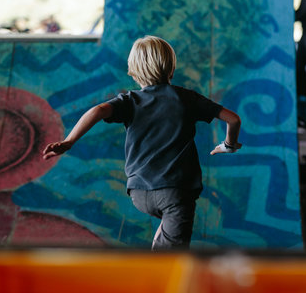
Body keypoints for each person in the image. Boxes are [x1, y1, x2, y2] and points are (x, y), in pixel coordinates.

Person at [42, 36, 242, 250]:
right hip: (175, 193)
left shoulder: (130, 101)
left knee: (165, 239)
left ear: (134, 71)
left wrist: (69, 141)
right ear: (170, 68)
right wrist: (228, 145)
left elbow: (97, 111)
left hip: (139, 192)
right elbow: (234, 119)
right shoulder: (186, 98)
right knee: (172, 259)